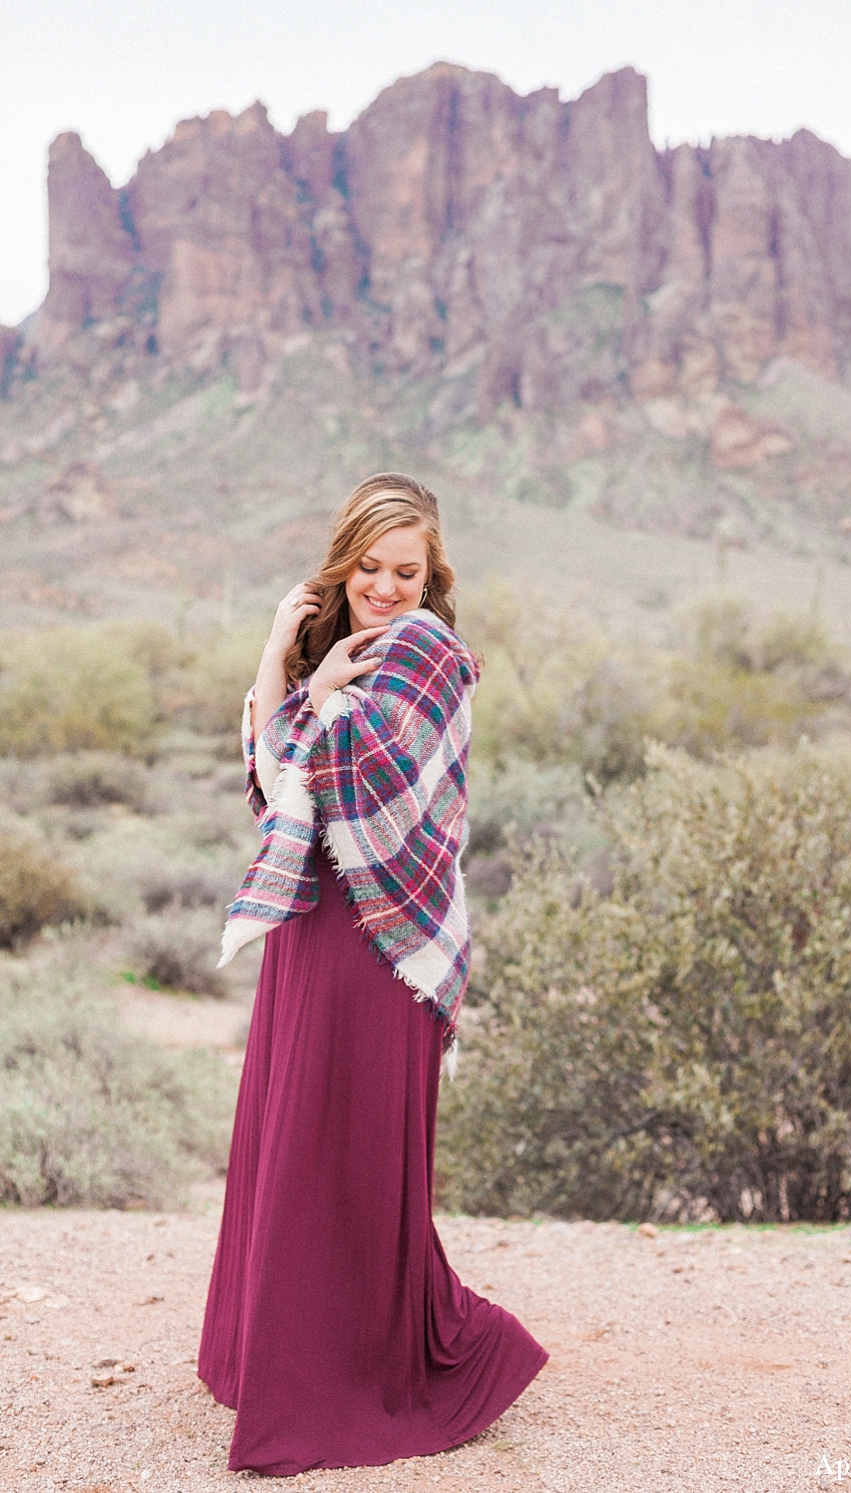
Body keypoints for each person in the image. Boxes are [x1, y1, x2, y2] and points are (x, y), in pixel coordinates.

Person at [197, 473, 547, 1477]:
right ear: (342, 560)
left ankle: (373, 1366)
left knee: (342, 1152)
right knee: (290, 1139)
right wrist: (281, 650)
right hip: (312, 926)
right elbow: (272, 785)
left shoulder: (430, 653)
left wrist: (307, 698)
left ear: (430, 575)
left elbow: (331, 759)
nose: (385, 587)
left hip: (385, 934)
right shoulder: (331, 654)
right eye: (369, 567)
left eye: (407, 570)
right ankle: (279, 1356)